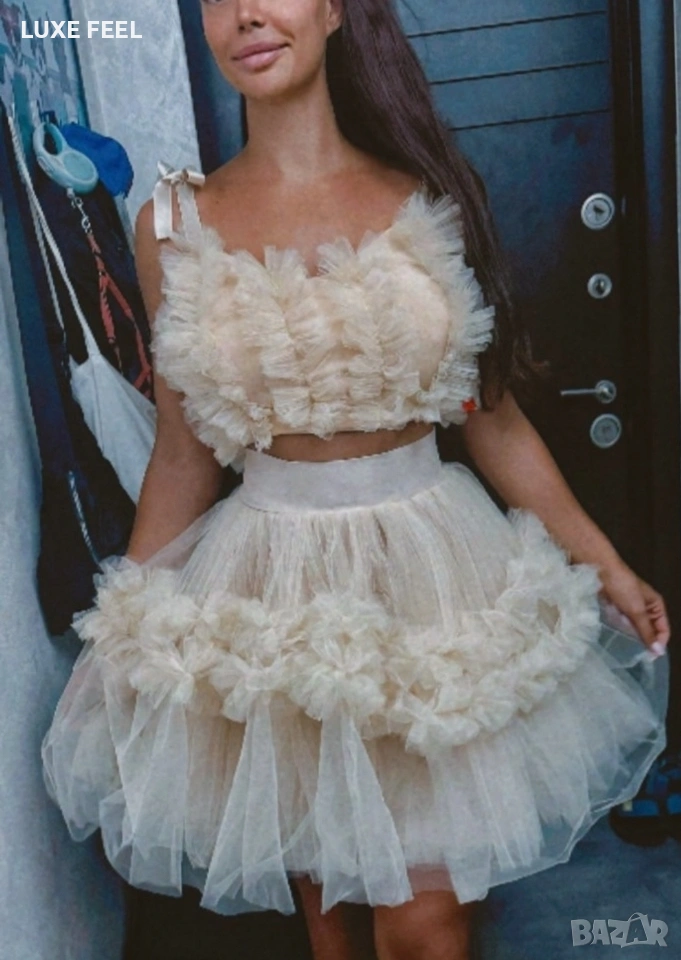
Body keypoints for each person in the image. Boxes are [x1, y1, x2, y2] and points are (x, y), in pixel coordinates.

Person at [41, 2, 671, 959]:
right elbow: (182, 453)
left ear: (334, 9)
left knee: (423, 923)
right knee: (330, 920)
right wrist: (124, 622)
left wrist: (606, 561)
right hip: (272, 589)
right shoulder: (169, 223)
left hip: (433, 579)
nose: (247, 14)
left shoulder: (426, 193)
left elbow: (492, 416)